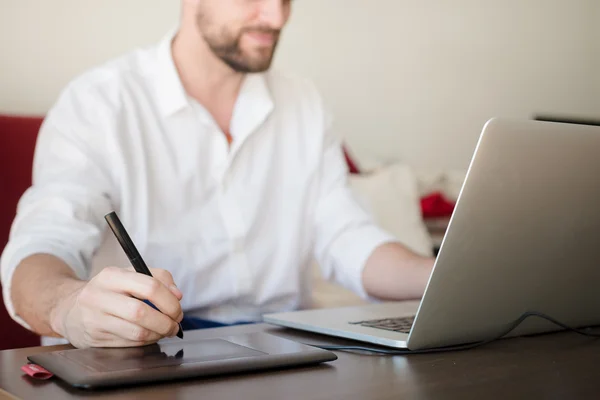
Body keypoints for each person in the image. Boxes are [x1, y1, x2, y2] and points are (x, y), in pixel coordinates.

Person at [0, 0, 434, 349]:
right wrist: (68, 306)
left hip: (282, 344)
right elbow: (43, 246)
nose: (276, 15)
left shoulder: (302, 101)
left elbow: (346, 236)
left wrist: (443, 278)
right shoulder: (99, 104)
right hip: (153, 351)